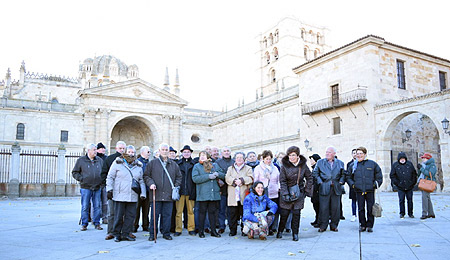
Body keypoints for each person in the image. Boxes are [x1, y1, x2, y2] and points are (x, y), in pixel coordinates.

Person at [106, 145, 146, 242]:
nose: (131, 154)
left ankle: (126, 233)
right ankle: (116, 234)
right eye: (129, 152)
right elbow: (110, 177)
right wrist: (109, 189)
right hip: (120, 194)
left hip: (132, 195)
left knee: (130, 216)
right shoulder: (117, 163)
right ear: (125, 152)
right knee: (118, 215)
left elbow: (141, 180)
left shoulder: (138, 165)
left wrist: (143, 193)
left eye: (133, 152)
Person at [144, 143, 182, 241]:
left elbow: (179, 177)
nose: (165, 151)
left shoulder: (174, 165)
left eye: (166, 150)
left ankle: (166, 233)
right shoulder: (153, 163)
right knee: (154, 216)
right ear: (159, 151)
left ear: (169, 151)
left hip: (169, 195)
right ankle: (152, 234)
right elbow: (146, 176)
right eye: (163, 150)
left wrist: (176, 185)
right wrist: (151, 183)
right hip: (156, 194)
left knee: (167, 216)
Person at [277, 146, 313, 241]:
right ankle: (280, 231)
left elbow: (310, 177)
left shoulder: (303, 166)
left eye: (293, 155)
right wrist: (285, 193)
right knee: (284, 213)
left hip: (299, 193)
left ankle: (295, 233)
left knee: (296, 214)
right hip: (287, 192)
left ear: (298, 156)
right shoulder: (284, 166)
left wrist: (306, 190)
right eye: (289, 155)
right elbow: (282, 181)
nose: (291, 157)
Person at [347, 146, 383, 232]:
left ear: (365, 154)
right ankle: (362, 225)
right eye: (357, 154)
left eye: (361, 153)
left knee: (370, 208)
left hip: (370, 190)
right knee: (360, 208)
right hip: (359, 190)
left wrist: (374, 185)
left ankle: (370, 225)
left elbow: (379, 176)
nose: (359, 155)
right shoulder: (353, 165)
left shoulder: (372, 164)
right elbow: (348, 177)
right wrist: (353, 185)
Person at [312, 146, 345, 233]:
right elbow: (315, 173)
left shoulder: (340, 163)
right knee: (323, 208)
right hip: (324, 187)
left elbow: (343, 174)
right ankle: (323, 225)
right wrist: (320, 182)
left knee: (335, 208)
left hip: (336, 188)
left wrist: (341, 182)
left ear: (334, 154)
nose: (327, 153)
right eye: (326, 152)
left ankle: (334, 225)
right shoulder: (320, 162)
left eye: (329, 152)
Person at [192, 151, 224, 238]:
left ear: (208, 157)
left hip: (213, 193)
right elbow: (195, 179)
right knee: (202, 213)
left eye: (204, 155)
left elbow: (223, 175)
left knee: (213, 213)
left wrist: (218, 174)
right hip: (202, 193)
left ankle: (213, 231)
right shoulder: (197, 166)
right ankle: (201, 231)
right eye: (200, 155)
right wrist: (208, 177)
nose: (202, 157)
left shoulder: (214, 165)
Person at [72, 143, 104, 231]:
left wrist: (101, 181)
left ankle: (97, 223)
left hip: (97, 187)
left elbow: (103, 171)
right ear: (88, 150)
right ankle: (84, 223)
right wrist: (82, 179)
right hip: (85, 187)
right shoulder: (81, 160)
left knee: (97, 206)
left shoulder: (99, 160)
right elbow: (75, 172)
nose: (96, 151)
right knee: (85, 206)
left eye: (96, 150)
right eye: (94, 150)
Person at [102, 141, 127, 240]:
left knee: (123, 212)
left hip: (124, 190)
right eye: (120, 148)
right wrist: (108, 187)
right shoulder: (109, 159)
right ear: (116, 148)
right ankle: (111, 231)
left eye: (123, 148)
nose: (121, 150)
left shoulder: (127, 159)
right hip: (112, 190)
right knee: (112, 212)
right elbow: (104, 173)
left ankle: (123, 231)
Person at [225, 152, 253, 236]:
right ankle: (232, 230)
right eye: (237, 157)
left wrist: (242, 180)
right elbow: (227, 178)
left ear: (244, 159)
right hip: (233, 195)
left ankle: (244, 230)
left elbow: (251, 178)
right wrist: (234, 181)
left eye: (241, 157)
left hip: (243, 195)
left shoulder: (248, 168)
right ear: (235, 159)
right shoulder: (230, 168)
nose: (239, 159)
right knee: (232, 214)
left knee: (243, 214)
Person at [253, 150, 280, 235]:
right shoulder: (258, 168)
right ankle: (264, 228)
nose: (268, 161)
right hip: (263, 193)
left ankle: (273, 228)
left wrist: (279, 187)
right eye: (266, 159)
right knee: (264, 211)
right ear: (263, 159)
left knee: (273, 210)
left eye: (270, 159)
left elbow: (279, 179)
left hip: (274, 192)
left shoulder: (275, 168)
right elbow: (256, 181)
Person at [175, 145, 196, 236]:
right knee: (178, 212)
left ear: (190, 153)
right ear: (182, 153)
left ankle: (191, 228)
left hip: (191, 190)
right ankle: (178, 229)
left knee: (191, 212)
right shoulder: (178, 164)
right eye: (184, 152)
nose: (186, 153)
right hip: (180, 191)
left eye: (188, 152)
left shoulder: (194, 164)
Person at [390, 152, 417, 218]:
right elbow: (392, 175)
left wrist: (413, 182)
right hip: (400, 186)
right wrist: (397, 183)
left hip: (409, 186)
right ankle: (402, 213)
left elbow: (414, 174)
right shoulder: (395, 165)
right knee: (401, 200)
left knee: (410, 200)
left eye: (403, 158)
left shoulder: (409, 164)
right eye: (401, 159)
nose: (402, 160)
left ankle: (410, 213)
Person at [214, 146, 234, 234]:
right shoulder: (217, 162)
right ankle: (221, 226)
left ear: (230, 152)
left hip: (232, 189)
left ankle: (231, 227)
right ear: (222, 153)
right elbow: (216, 175)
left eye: (228, 151)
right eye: (224, 151)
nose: (226, 152)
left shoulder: (234, 162)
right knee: (221, 209)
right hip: (221, 189)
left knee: (231, 210)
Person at [133, 146, 151, 232]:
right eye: (148, 152)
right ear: (142, 152)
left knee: (146, 209)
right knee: (136, 208)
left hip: (148, 189)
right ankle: (134, 225)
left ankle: (145, 225)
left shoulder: (150, 163)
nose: (149, 153)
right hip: (138, 189)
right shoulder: (137, 162)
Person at [418, 153, 436, 220]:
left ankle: (424, 213)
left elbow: (430, 173)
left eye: (424, 158)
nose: (423, 159)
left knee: (424, 198)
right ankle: (431, 213)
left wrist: (421, 169)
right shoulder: (424, 165)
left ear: (428, 159)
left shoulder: (432, 165)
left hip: (428, 183)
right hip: (424, 183)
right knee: (427, 198)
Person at [95, 142, 108, 225]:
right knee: (96, 203)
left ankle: (105, 217)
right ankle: (95, 218)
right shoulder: (95, 158)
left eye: (104, 148)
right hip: (96, 184)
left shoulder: (106, 158)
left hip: (104, 183)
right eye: (101, 148)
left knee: (105, 202)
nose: (103, 149)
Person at [309, 153, 321, 228]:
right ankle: (317, 220)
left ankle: (319, 221)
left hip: (317, 190)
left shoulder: (318, 168)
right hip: (314, 190)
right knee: (315, 206)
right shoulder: (313, 167)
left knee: (318, 206)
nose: (310, 161)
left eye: (312, 159)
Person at [346, 149, 358, 222]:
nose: (355, 154)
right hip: (353, 185)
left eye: (356, 153)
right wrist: (351, 184)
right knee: (353, 201)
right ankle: (354, 214)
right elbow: (348, 175)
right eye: (353, 153)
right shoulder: (349, 164)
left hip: (360, 185)